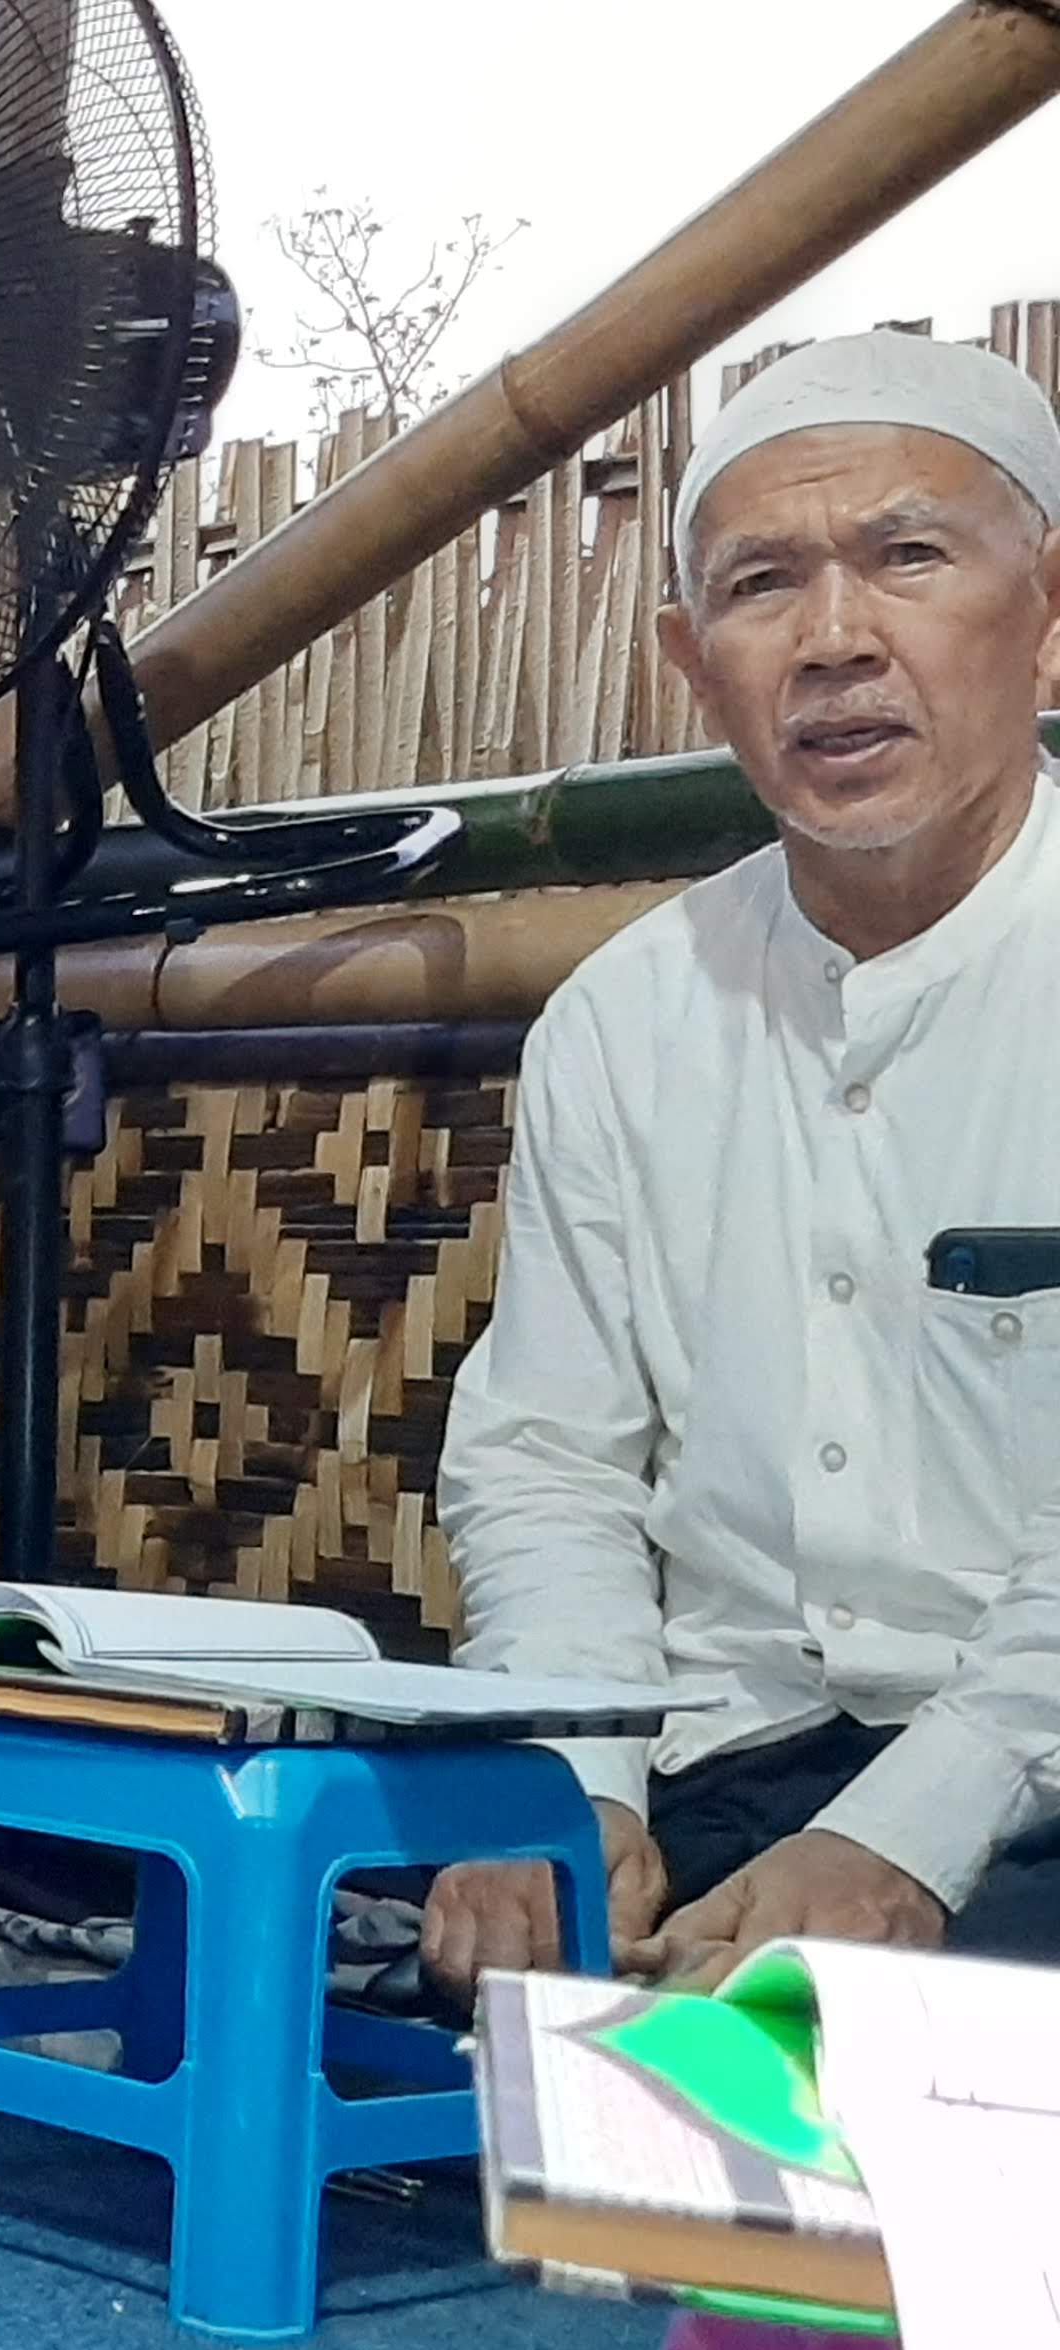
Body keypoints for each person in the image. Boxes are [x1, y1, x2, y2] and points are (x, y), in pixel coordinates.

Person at [426, 330, 1060, 1998]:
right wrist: (572, 1778)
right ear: (693, 665)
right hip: (739, 1770)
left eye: (908, 557)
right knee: (383, 1943)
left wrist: (908, 1839)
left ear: (1052, 613)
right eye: (763, 584)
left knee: (911, 2043)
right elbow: (550, 1464)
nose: (835, 638)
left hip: (1033, 1769)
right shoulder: (623, 1020)